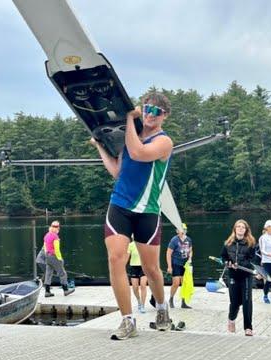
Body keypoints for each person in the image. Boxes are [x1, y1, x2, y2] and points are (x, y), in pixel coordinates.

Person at [91, 91, 173, 340]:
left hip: (147, 210)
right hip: (120, 206)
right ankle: (127, 320)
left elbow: (138, 153)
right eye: (147, 108)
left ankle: (162, 308)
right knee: (116, 258)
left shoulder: (164, 142)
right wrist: (99, 147)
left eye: (156, 111)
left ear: (164, 116)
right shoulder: (130, 138)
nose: (150, 114)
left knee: (152, 269)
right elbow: (117, 171)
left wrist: (128, 118)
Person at [220, 219, 257, 336]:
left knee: (247, 301)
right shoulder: (228, 244)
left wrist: (241, 265)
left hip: (246, 276)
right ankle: (231, 319)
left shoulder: (251, 244)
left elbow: (253, 261)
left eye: (243, 227)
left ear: (246, 230)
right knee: (235, 302)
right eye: (238, 227)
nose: (241, 229)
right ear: (235, 229)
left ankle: (248, 327)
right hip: (232, 276)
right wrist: (227, 263)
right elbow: (223, 257)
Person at [43, 220, 75, 297]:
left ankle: (47, 291)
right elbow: (57, 249)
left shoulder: (46, 235)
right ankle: (66, 290)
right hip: (54, 256)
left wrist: (47, 254)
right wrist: (60, 258)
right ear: (57, 228)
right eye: (58, 227)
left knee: (48, 273)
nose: (59, 228)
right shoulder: (55, 236)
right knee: (63, 273)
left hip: (47, 256)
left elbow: (45, 247)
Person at [166, 223, 193, 308]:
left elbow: (191, 250)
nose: (183, 231)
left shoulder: (188, 239)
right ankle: (171, 298)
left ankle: (183, 302)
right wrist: (169, 266)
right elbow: (168, 253)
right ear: (177, 231)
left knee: (185, 283)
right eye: (181, 230)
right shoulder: (174, 240)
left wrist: (190, 258)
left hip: (185, 265)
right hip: (176, 263)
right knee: (176, 283)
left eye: (184, 230)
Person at [127, 238, 148, 314]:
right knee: (135, 287)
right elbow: (127, 256)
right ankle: (139, 301)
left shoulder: (145, 244)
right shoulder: (131, 245)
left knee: (143, 285)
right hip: (134, 267)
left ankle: (142, 305)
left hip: (144, 267)